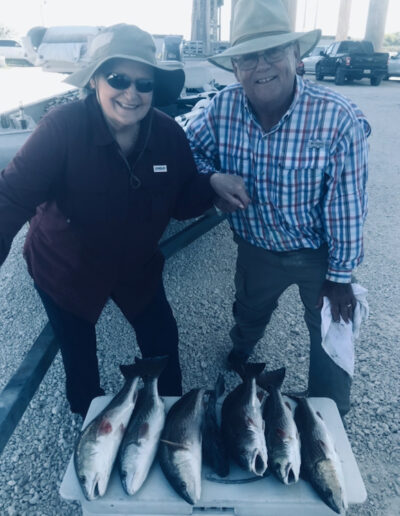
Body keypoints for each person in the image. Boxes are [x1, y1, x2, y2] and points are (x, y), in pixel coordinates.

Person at [0, 24, 245, 417]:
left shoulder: (168, 135)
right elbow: (11, 196)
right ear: (94, 80)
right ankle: (88, 416)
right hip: (65, 268)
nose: (132, 94)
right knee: (80, 358)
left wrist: (212, 184)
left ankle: (167, 417)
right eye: (118, 79)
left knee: (163, 344)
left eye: (144, 84)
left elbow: (182, 198)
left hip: (135, 266)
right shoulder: (61, 128)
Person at [186, 0, 370, 417]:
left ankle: (329, 413)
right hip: (254, 246)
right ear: (235, 68)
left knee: (332, 329)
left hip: (317, 254)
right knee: (249, 311)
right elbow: (187, 152)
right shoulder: (221, 108)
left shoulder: (337, 117)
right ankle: (240, 352)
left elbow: (348, 205)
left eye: (273, 52)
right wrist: (212, 179)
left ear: (296, 54)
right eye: (248, 57)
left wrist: (340, 277)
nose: (262, 66)